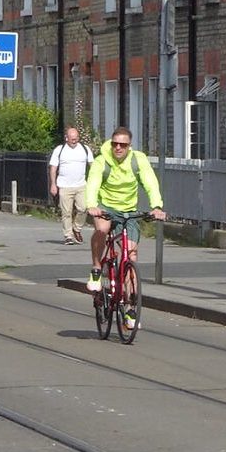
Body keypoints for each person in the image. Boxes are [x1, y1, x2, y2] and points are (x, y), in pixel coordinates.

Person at [85, 126, 166, 327]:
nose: (118, 148)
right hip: (106, 208)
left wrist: (156, 206)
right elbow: (93, 183)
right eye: (115, 144)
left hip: (129, 211)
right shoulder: (102, 161)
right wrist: (91, 205)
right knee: (102, 230)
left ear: (130, 146)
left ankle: (130, 308)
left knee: (131, 256)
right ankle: (96, 269)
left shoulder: (138, 160)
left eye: (123, 145)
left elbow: (150, 182)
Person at [49, 127, 94, 245]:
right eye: (72, 139)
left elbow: (92, 166)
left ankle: (77, 228)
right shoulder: (59, 150)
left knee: (83, 208)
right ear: (66, 138)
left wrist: (94, 182)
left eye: (76, 138)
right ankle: (68, 236)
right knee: (66, 212)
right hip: (64, 186)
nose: (74, 141)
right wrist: (53, 184)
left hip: (81, 185)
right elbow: (53, 168)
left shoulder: (85, 149)